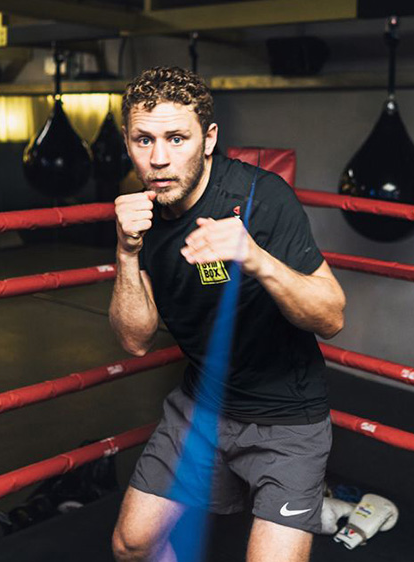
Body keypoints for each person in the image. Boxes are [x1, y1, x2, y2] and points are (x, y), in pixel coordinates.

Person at [108, 66, 346, 562]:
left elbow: (332, 317)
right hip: (202, 410)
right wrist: (127, 252)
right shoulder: (139, 216)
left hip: (287, 418)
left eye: (177, 138)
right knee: (131, 545)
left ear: (209, 138)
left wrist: (256, 258)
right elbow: (135, 340)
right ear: (127, 142)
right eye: (143, 140)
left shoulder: (261, 198)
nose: (159, 159)